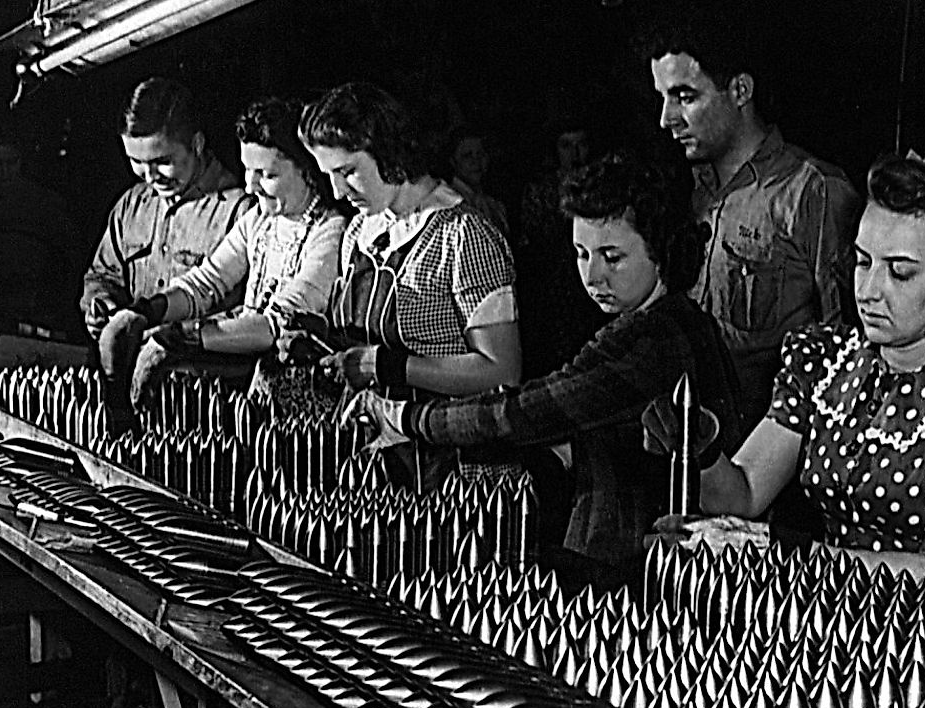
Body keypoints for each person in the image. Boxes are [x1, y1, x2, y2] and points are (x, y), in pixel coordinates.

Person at [647, 150, 925, 590]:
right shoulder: (821, 359)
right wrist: (701, 448)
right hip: (829, 616)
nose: (868, 291)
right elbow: (743, 494)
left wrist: (780, 552)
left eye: (899, 272)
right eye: (863, 262)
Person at [343, 153, 741, 584]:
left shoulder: (654, 339)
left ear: (662, 251)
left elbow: (522, 412)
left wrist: (406, 416)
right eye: (581, 253)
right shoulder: (666, 322)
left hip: (639, 570)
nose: (593, 276)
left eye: (613, 257)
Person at [294, 82, 522, 489]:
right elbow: (363, 346)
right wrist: (320, 342)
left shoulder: (465, 235)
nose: (337, 192)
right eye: (328, 175)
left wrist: (386, 365)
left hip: (455, 469)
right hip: (381, 461)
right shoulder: (362, 230)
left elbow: (500, 370)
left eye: (348, 172)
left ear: (389, 153)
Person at [645, 12, 861, 434]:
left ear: (740, 90)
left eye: (685, 97)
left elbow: (851, 346)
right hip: (685, 446)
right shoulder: (677, 192)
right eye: (662, 98)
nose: (666, 119)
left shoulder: (813, 191)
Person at [96, 98, 346, 414]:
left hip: (305, 412)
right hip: (257, 397)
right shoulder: (259, 221)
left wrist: (179, 337)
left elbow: (276, 324)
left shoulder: (331, 231)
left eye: (266, 174)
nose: (250, 185)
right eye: (247, 170)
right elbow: (206, 282)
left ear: (307, 170)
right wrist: (145, 311)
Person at [80, 78, 251, 340]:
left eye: (162, 162)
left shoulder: (240, 212)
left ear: (197, 144)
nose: (149, 176)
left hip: (202, 375)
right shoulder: (130, 207)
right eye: (136, 161)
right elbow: (103, 275)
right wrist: (100, 303)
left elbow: (250, 313)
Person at [0, 122, 83, 338]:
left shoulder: (45, 205)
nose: (4, 171)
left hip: (36, 311)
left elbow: (69, 260)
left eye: (11, 163)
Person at [516, 119, 609, 378]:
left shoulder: (601, 189)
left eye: (581, 144)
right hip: (554, 290)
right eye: (567, 146)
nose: (576, 153)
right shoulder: (541, 191)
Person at [445, 128, 509, 236]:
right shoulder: (448, 203)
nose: (476, 161)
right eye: (467, 156)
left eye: (480, 154)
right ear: (453, 162)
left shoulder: (494, 205)